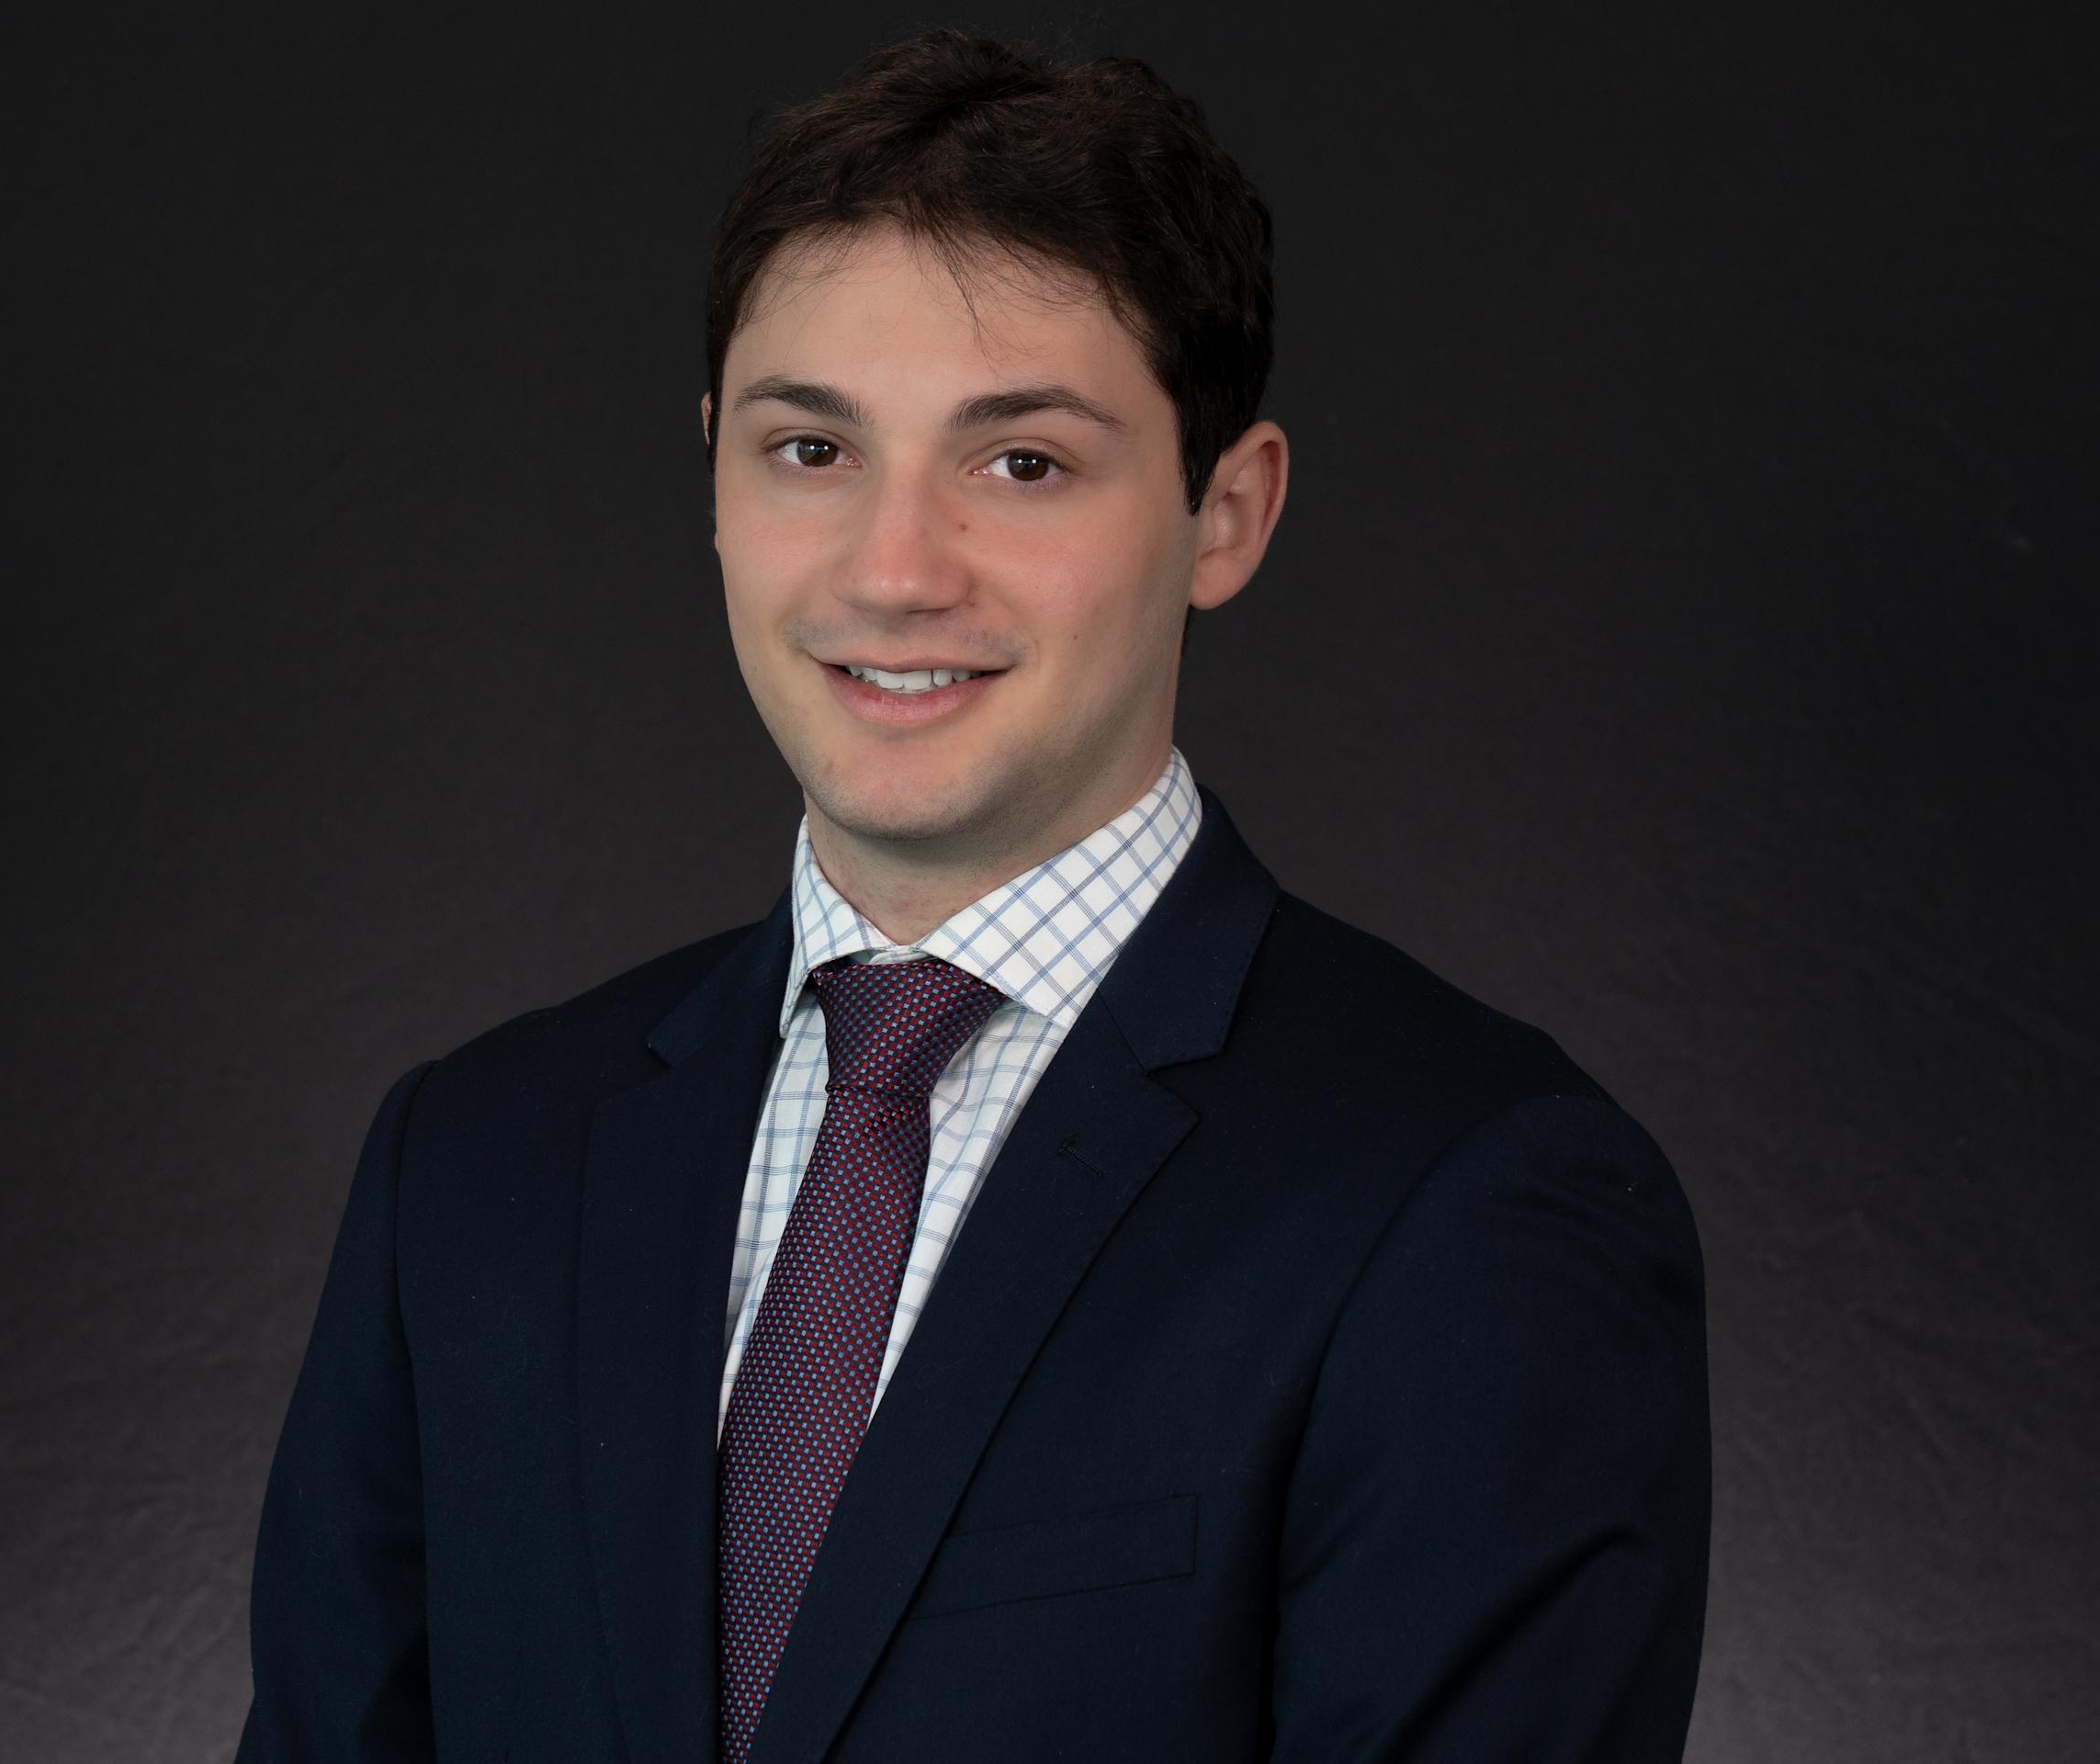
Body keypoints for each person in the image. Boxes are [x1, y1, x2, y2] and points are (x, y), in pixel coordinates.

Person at [235, 27, 1710, 1763]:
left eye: (1020, 462)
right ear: (711, 472)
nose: (893, 568)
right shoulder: (470, 1167)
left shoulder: (1478, 1201)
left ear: (1225, 512)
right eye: (811, 450)